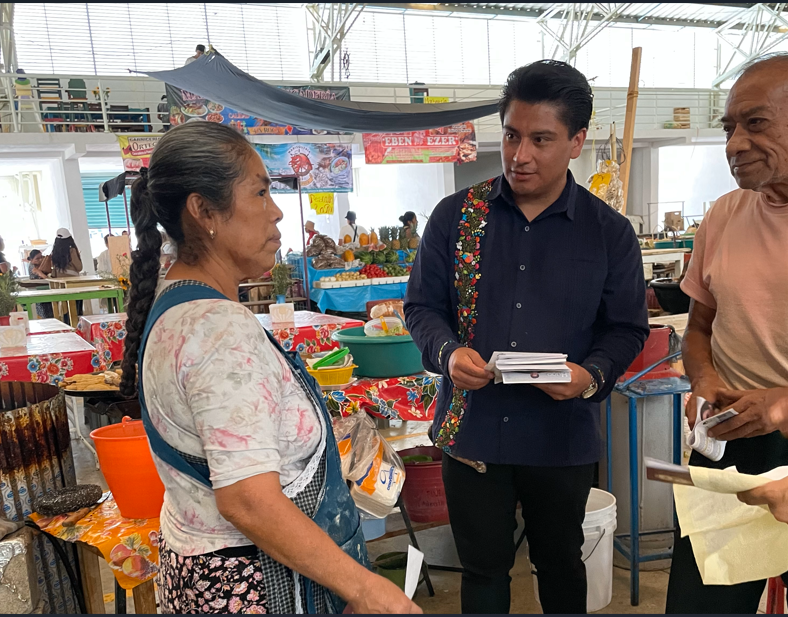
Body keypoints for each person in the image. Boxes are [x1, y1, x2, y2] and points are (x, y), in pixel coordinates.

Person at [118, 122, 419, 615]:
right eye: (260, 193)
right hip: (252, 587)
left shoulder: (173, 306)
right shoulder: (219, 329)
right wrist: (366, 589)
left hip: (199, 574)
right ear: (203, 211)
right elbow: (248, 501)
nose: (276, 211)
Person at [404, 59, 649, 615]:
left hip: (560, 438)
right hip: (472, 433)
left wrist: (591, 376)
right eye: (512, 135)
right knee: (483, 572)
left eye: (541, 139)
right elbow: (422, 307)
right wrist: (447, 354)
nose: (520, 155)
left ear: (576, 142)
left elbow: (627, 327)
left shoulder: (608, 234)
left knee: (561, 566)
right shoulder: (456, 218)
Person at [665, 53, 788, 614]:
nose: (735, 144)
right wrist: (704, 381)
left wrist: (781, 405)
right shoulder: (724, 214)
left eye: (755, 123)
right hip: (729, 441)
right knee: (702, 601)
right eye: (729, 127)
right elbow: (699, 327)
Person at [27, 249, 53, 319]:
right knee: (45, 314)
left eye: (41, 257)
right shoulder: (33, 267)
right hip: (38, 292)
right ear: (31, 259)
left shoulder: (40, 265)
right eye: (37, 258)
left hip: (45, 291)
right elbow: (44, 276)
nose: (40, 259)